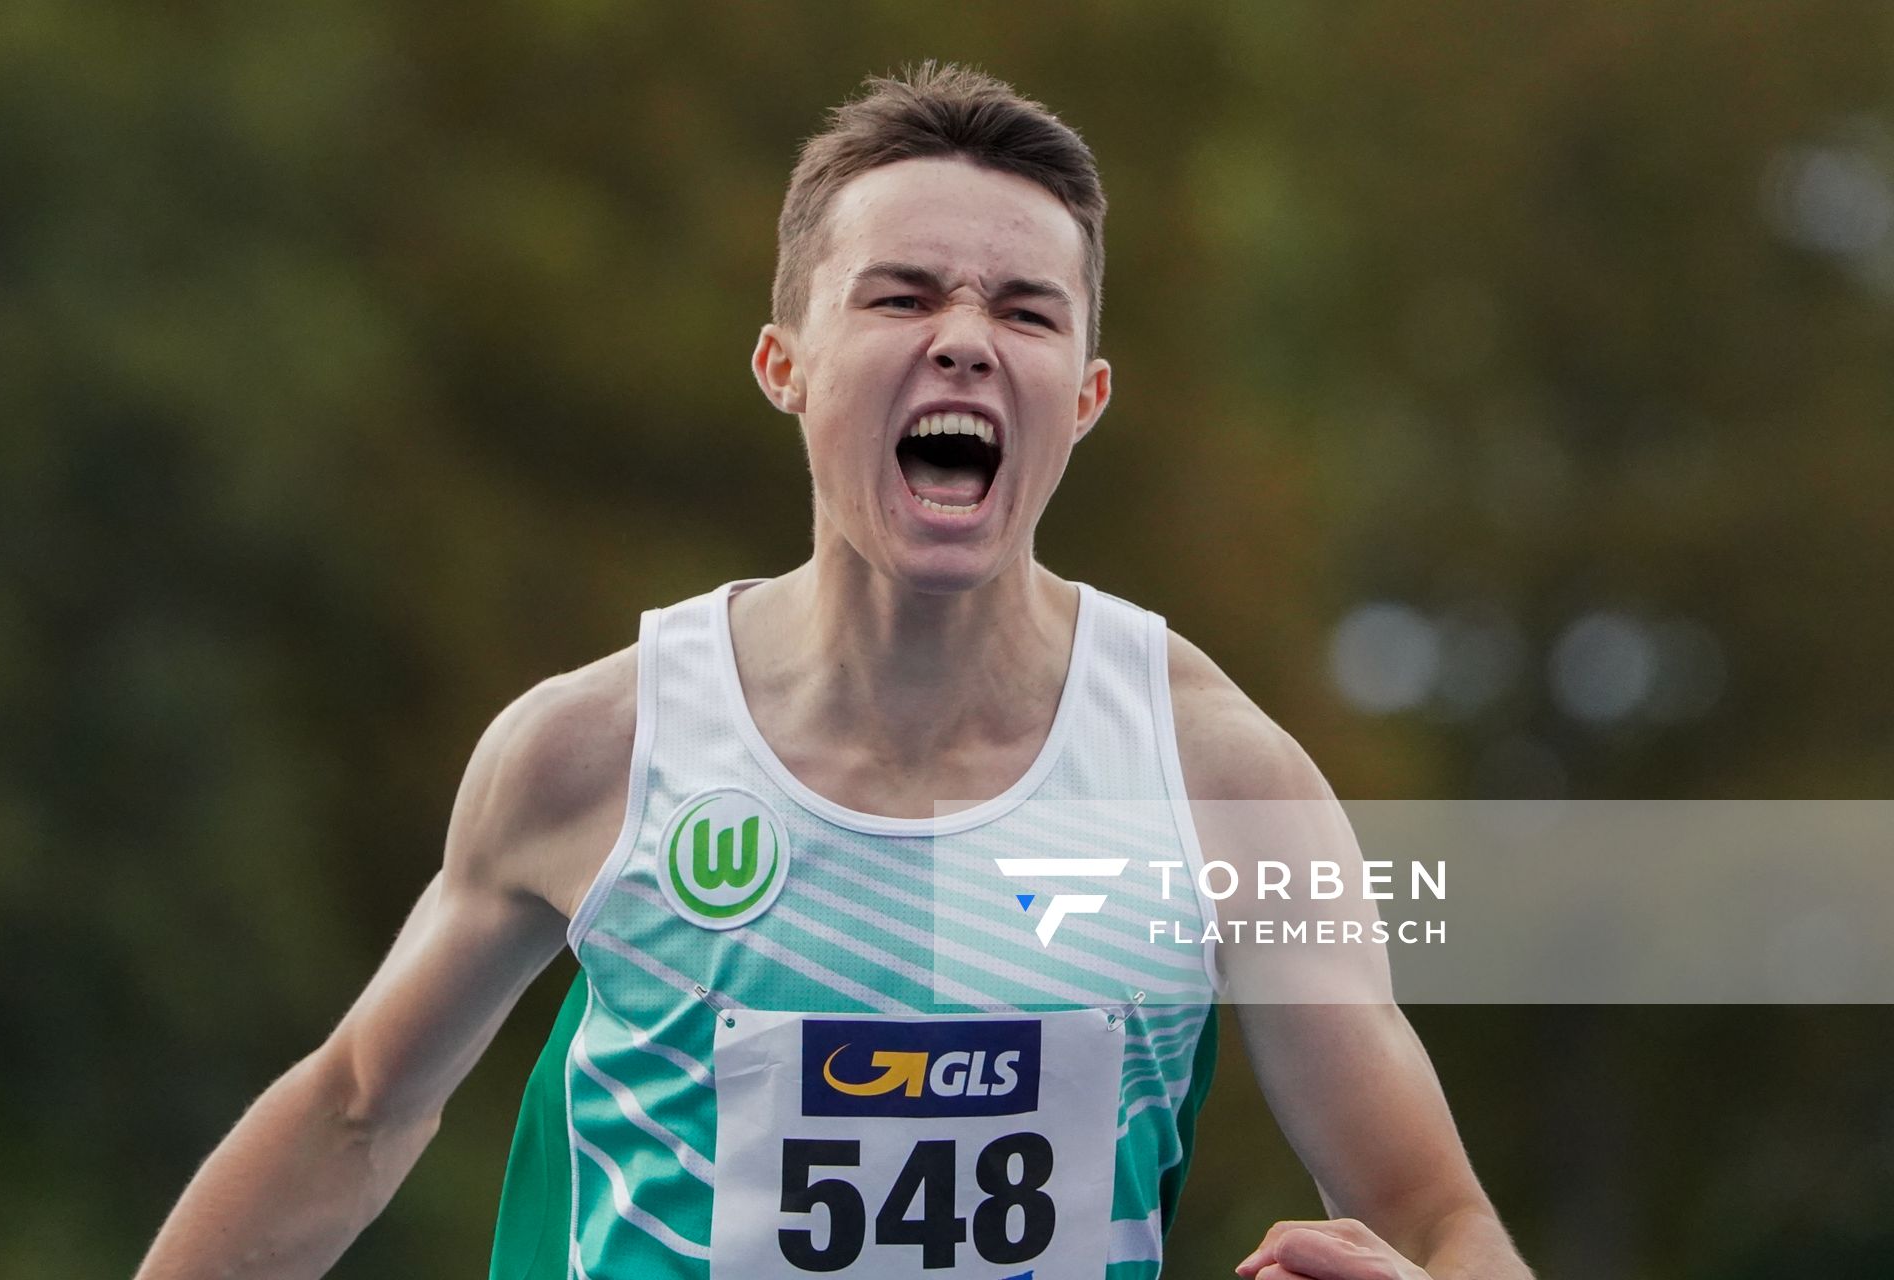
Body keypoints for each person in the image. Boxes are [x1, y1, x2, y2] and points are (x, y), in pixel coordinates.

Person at [137, 62, 1532, 1280]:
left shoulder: (1219, 780)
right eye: (904, 294)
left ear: (1086, 398)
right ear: (785, 364)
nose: (968, 339)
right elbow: (355, 1112)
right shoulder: (595, 753)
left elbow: (1433, 1213)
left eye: (1029, 313)